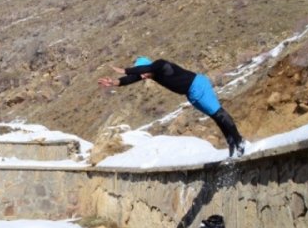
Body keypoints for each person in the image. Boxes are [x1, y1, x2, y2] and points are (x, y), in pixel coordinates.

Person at [98, 57, 245, 157]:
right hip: (191, 93)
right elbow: (130, 79)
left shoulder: (160, 65)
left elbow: (144, 69)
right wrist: (114, 82)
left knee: (218, 112)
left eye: (142, 73)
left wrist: (124, 70)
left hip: (198, 85)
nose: (143, 77)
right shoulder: (150, 73)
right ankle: (231, 142)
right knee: (214, 116)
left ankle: (239, 141)